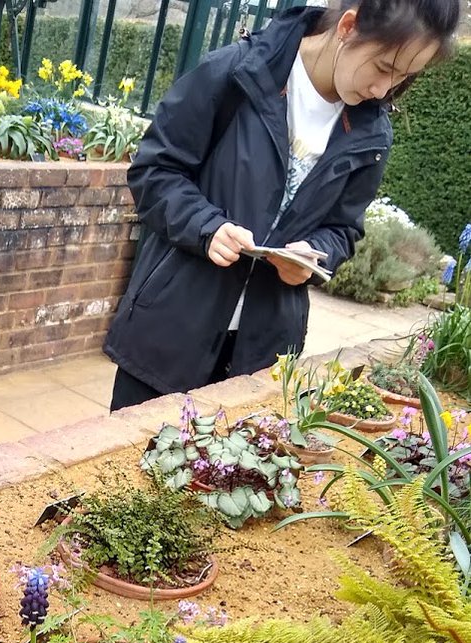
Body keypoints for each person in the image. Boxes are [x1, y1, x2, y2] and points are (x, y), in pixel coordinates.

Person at [104, 0, 459, 412]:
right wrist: (207, 227)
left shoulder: (372, 133)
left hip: (263, 350)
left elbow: (344, 229)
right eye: (383, 67)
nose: (384, 89)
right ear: (348, 26)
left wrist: (313, 256)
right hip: (171, 331)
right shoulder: (234, 73)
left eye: (402, 78)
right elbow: (155, 170)